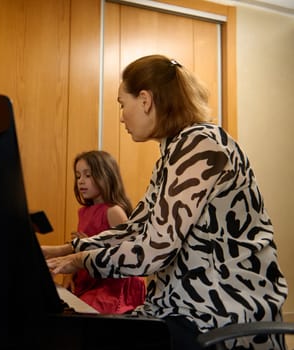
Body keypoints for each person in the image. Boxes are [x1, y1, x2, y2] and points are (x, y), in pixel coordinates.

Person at [42, 54, 288, 350]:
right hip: (180, 308)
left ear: (145, 99)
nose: (121, 116)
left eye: (123, 104)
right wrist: (64, 249)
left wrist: (79, 261)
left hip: (218, 312)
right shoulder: (172, 154)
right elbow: (136, 229)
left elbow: (155, 250)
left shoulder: (201, 144)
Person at [64, 150, 145, 314]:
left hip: (112, 286)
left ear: (106, 176)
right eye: (78, 176)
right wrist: (69, 275)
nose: (81, 181)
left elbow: (126, 256)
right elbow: (79, 249)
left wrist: (90, 246)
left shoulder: (114, 211)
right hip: (90, 279)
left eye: (88, 175)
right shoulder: (84, 211)